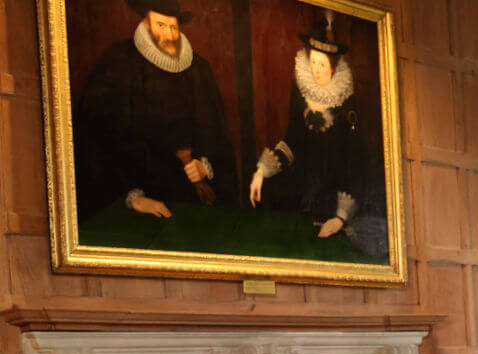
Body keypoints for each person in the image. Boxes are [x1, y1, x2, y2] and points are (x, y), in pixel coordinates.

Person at [74, 0, 238, 219]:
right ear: (146, 23)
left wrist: (206, 166)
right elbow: (93, 138)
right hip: (142, 194)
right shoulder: (118, 61)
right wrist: (133, 197)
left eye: (173, 27)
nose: (169, 35)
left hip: (193, 195)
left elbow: (218, 136)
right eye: (161, 25)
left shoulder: (199, 68)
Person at [248, 13, 387, 258]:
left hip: (335, 192)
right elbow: (292, 141)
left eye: (323, 65)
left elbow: (355, 163)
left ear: (333, 66)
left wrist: (340, 217)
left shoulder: (347, 104)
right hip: (303, 185)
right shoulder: (301, 92)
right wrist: (262, 171)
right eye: (313, 62)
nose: (317, 70)